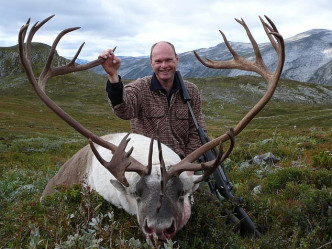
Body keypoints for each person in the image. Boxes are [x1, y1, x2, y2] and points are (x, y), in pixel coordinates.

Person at [99, 41, 206, 159]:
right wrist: (113, 76)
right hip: (148, 166)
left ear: (176, 59)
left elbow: (197, 131)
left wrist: (188, 164)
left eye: (168, 60)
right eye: (158, 61)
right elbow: (124, 110)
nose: (164, 66)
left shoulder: (191, 90)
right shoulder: (140, 88)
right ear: (151, 63)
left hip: (183, 163)